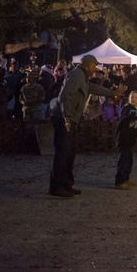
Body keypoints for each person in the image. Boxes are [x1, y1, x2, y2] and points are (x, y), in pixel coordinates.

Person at [49, 55, 126, 198]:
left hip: (70, 118)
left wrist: (112, 93)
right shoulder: (77, 75)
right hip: (65, 118)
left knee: (69, 152)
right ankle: (57, 186)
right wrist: (67, 116)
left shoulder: (82, 76)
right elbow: (65, 95)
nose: (95, 68)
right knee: (63, 152)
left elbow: (92, 88)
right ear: (87, 65)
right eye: (94, 65)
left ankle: (65, 184)